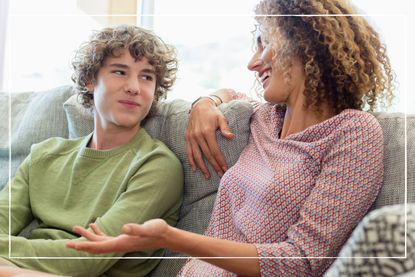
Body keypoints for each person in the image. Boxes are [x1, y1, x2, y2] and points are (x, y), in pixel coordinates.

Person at [66, 0, 395, 276]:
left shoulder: (353, 133)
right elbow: (231, 93)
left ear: (305, 44)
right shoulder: (265, 118)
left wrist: (171, 237)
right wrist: (206, 102)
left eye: (265, 43)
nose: (253, 63)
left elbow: (302, 261)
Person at [0, 25, 183, 276]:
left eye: (146, 76)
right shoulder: (44, 155)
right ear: (89, 81)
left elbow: (89, 257)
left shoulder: (157, 165)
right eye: (120, 72)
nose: (134, 87)